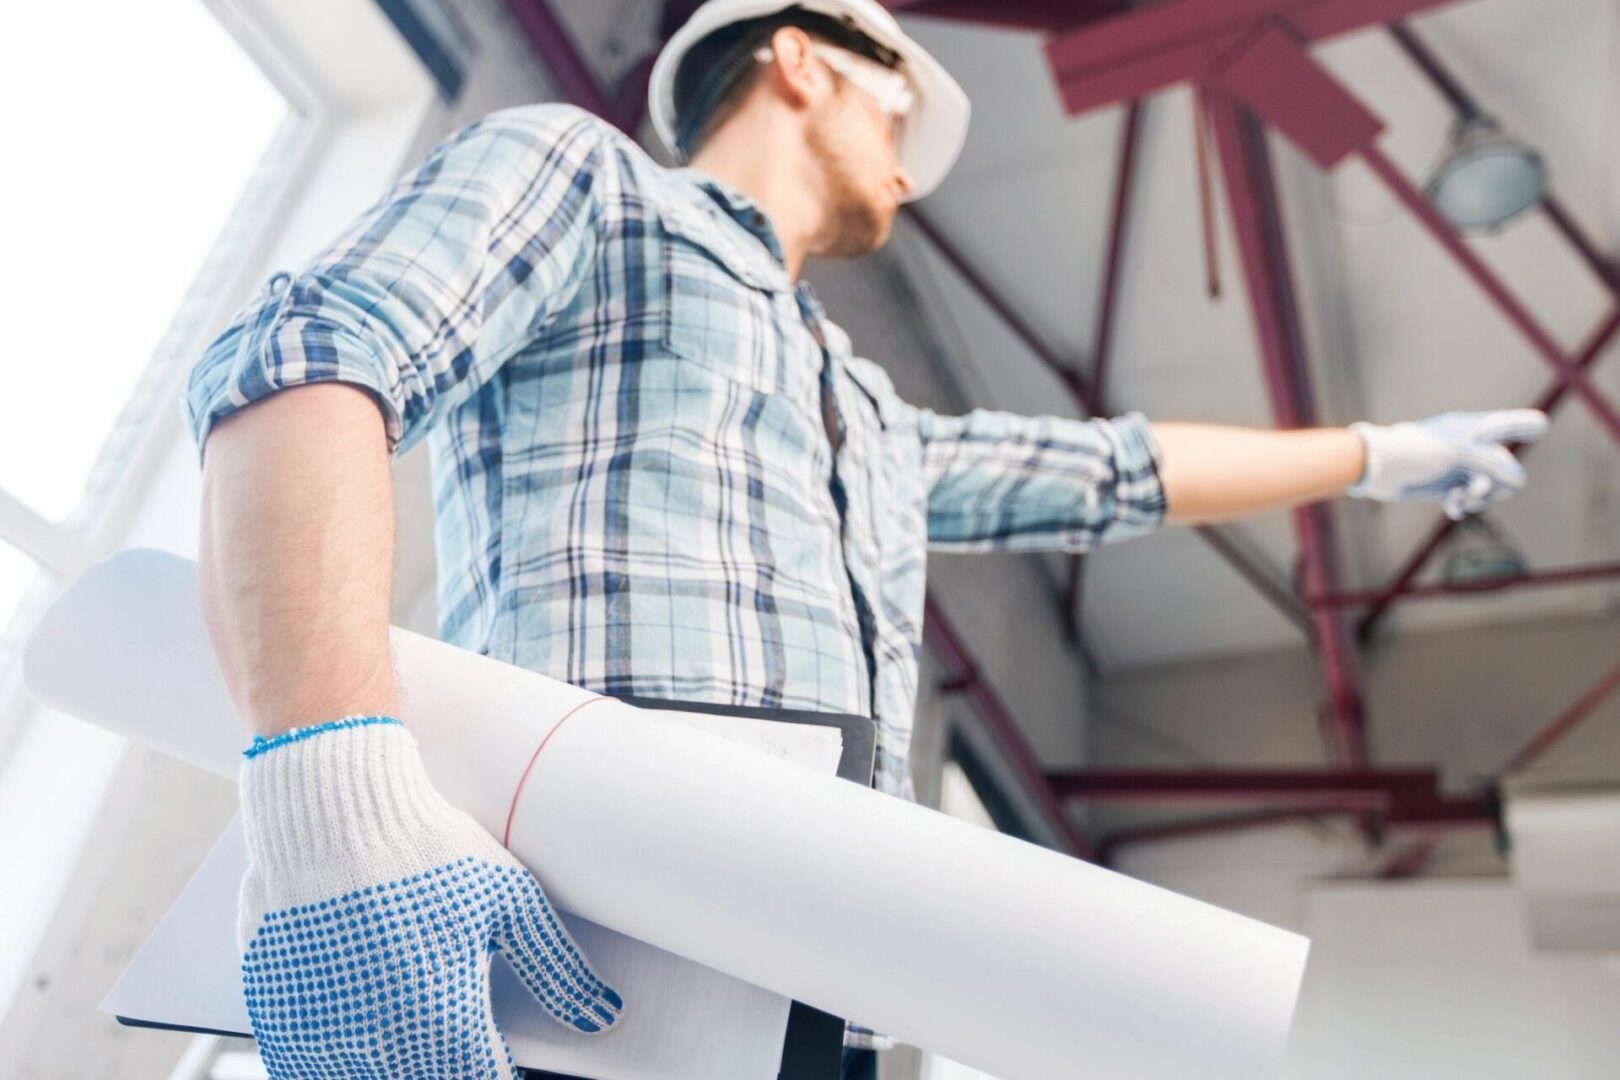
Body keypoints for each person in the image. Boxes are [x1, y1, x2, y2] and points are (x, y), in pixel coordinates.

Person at [183, 1, 1547, 1076]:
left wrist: (1375, 456)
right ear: (800, 60)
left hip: (801, 988)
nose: (909, 156)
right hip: (553, 948)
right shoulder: (587, 180)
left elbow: (1113, 471)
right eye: (897, 99)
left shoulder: (871, 416)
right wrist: (330, 807)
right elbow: (309, 366)